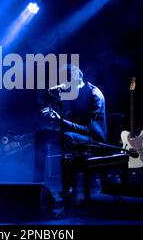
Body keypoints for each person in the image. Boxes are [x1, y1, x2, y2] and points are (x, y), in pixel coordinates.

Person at [33, 64, 108, 197]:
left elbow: (88, 129)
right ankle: (36, 185)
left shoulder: (93, 94)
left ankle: (70, 187)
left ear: (77, 77)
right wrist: (55, 117)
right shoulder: (76, 95)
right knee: (41, 135)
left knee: (67, 136)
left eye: (67, 78)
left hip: (93, 139)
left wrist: (60, 120)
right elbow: (73, 120)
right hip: (77, 135)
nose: (64, 83)